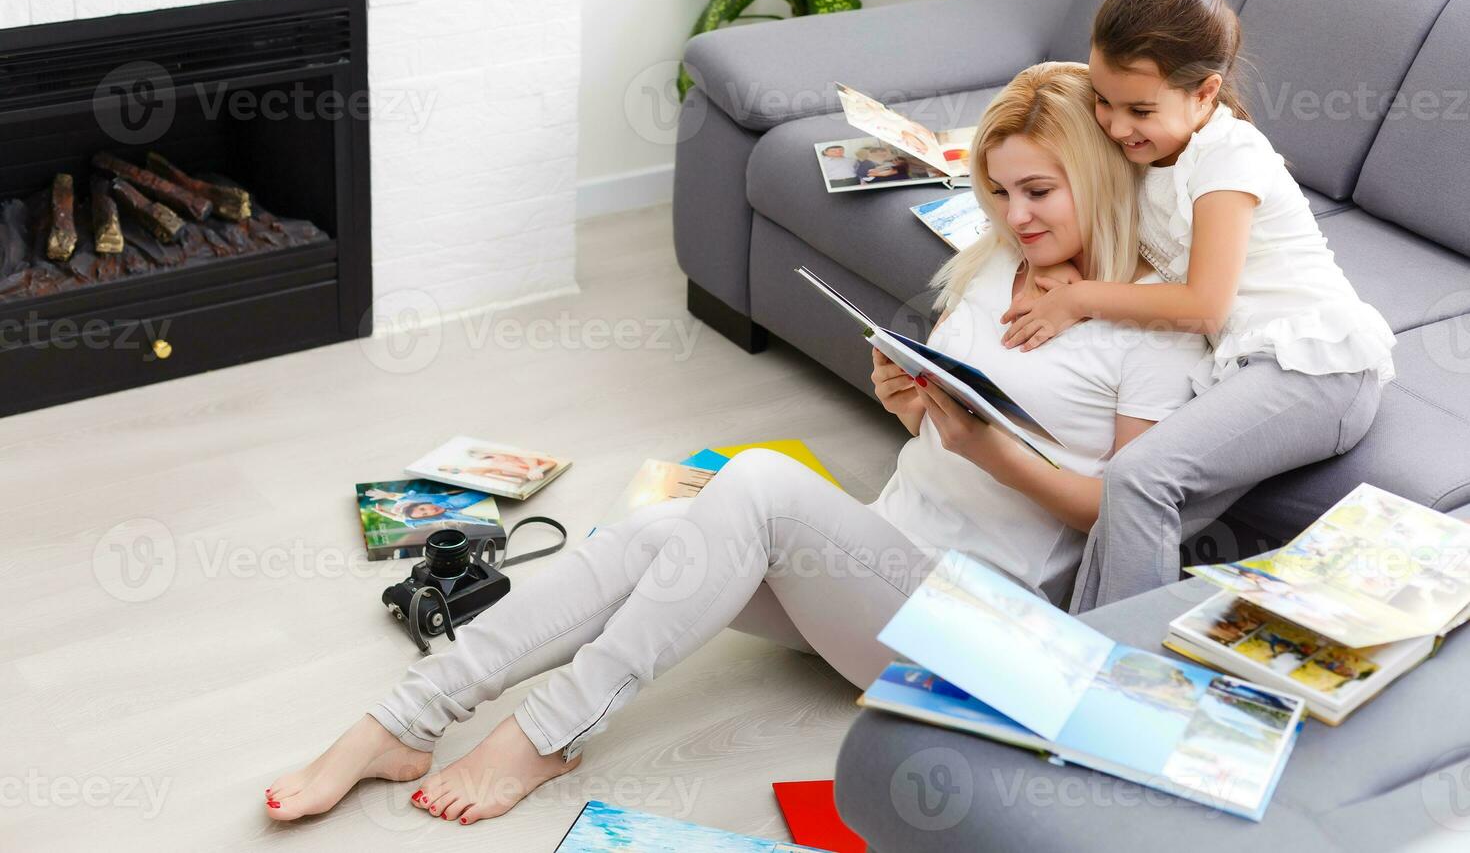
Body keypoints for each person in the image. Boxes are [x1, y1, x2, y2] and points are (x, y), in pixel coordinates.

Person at [261, 62, 1207, 827]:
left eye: (1039, 191)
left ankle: (547, 735)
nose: (1017, 215)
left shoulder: (1152, 338)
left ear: (1098, 177)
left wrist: (984, 451)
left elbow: (1120, 513)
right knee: (651, 533)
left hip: (972, 636)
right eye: (999, 192)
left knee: (755, 480)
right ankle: (405, 718)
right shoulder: (1000, 265)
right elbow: (963, 418)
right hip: (881, 572)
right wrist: (912, 408)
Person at [998, 0, 1396, 611]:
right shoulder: (1153, 145)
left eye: (1139, 111)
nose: (1115, 125)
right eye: (1104, 100)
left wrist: (1080, 297)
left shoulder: (1228, 158)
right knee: (1126, 516)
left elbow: (1203, 306)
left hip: (1318, 369)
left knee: (1138, 478)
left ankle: (1127, 679)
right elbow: (1052, 99)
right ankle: (1087, 663)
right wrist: (1071, 267)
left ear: (1206, 92)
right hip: (1250, 369)